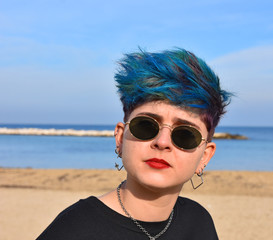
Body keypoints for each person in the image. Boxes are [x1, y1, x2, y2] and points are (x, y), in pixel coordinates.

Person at [37, 48, 231, 240]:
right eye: (146, 126)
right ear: (120, 138)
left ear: (204, 156)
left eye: (185, 135)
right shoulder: (74, 229)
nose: (162, 142)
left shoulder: (198, 222)